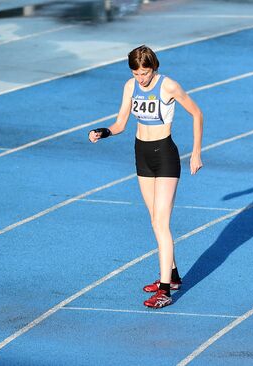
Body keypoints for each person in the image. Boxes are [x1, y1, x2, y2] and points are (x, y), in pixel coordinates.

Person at [89, 45, 203, 308]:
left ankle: (165, 291)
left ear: (154, 67)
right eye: (137, 73)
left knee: (161, 224)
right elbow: (120, 123)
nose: (141, 78)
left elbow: (197, 113)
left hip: (164, 155)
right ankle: (172, 276)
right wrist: (103, 132)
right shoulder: (130, 87)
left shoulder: (169, 86)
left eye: (145, 72)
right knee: (154, 219)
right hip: (141, 154)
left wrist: (196, 152)